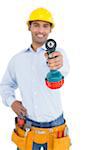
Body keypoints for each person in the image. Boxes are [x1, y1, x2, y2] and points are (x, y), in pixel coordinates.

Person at [0, 7, 70, 150]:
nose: (40, 30)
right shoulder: (17, 60)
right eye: (36, 25)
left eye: (45, 26)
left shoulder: (58, 54)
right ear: (29, 27)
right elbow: (5, 85)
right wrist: (11, 102)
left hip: (56, 128)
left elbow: (64, 69)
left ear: (50, 30)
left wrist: (57, 64)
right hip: (28, 128)